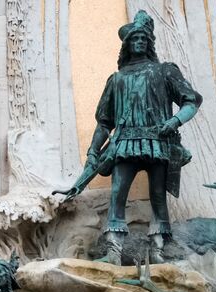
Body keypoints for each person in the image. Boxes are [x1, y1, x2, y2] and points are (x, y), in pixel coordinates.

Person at [63, 10, 202, 264]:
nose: (139, 42)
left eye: (144, 39)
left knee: (158, 196)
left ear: (149, 44)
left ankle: (158, 249)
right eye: (135, 39)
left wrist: (174, 121)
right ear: (127, 45)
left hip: (156, 142)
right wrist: (93, 151)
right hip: (125, 143)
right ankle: (114, 249)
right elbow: (104, 122)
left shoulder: (164, 71)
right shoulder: (116, 80)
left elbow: (191, 101)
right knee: (117, 193)